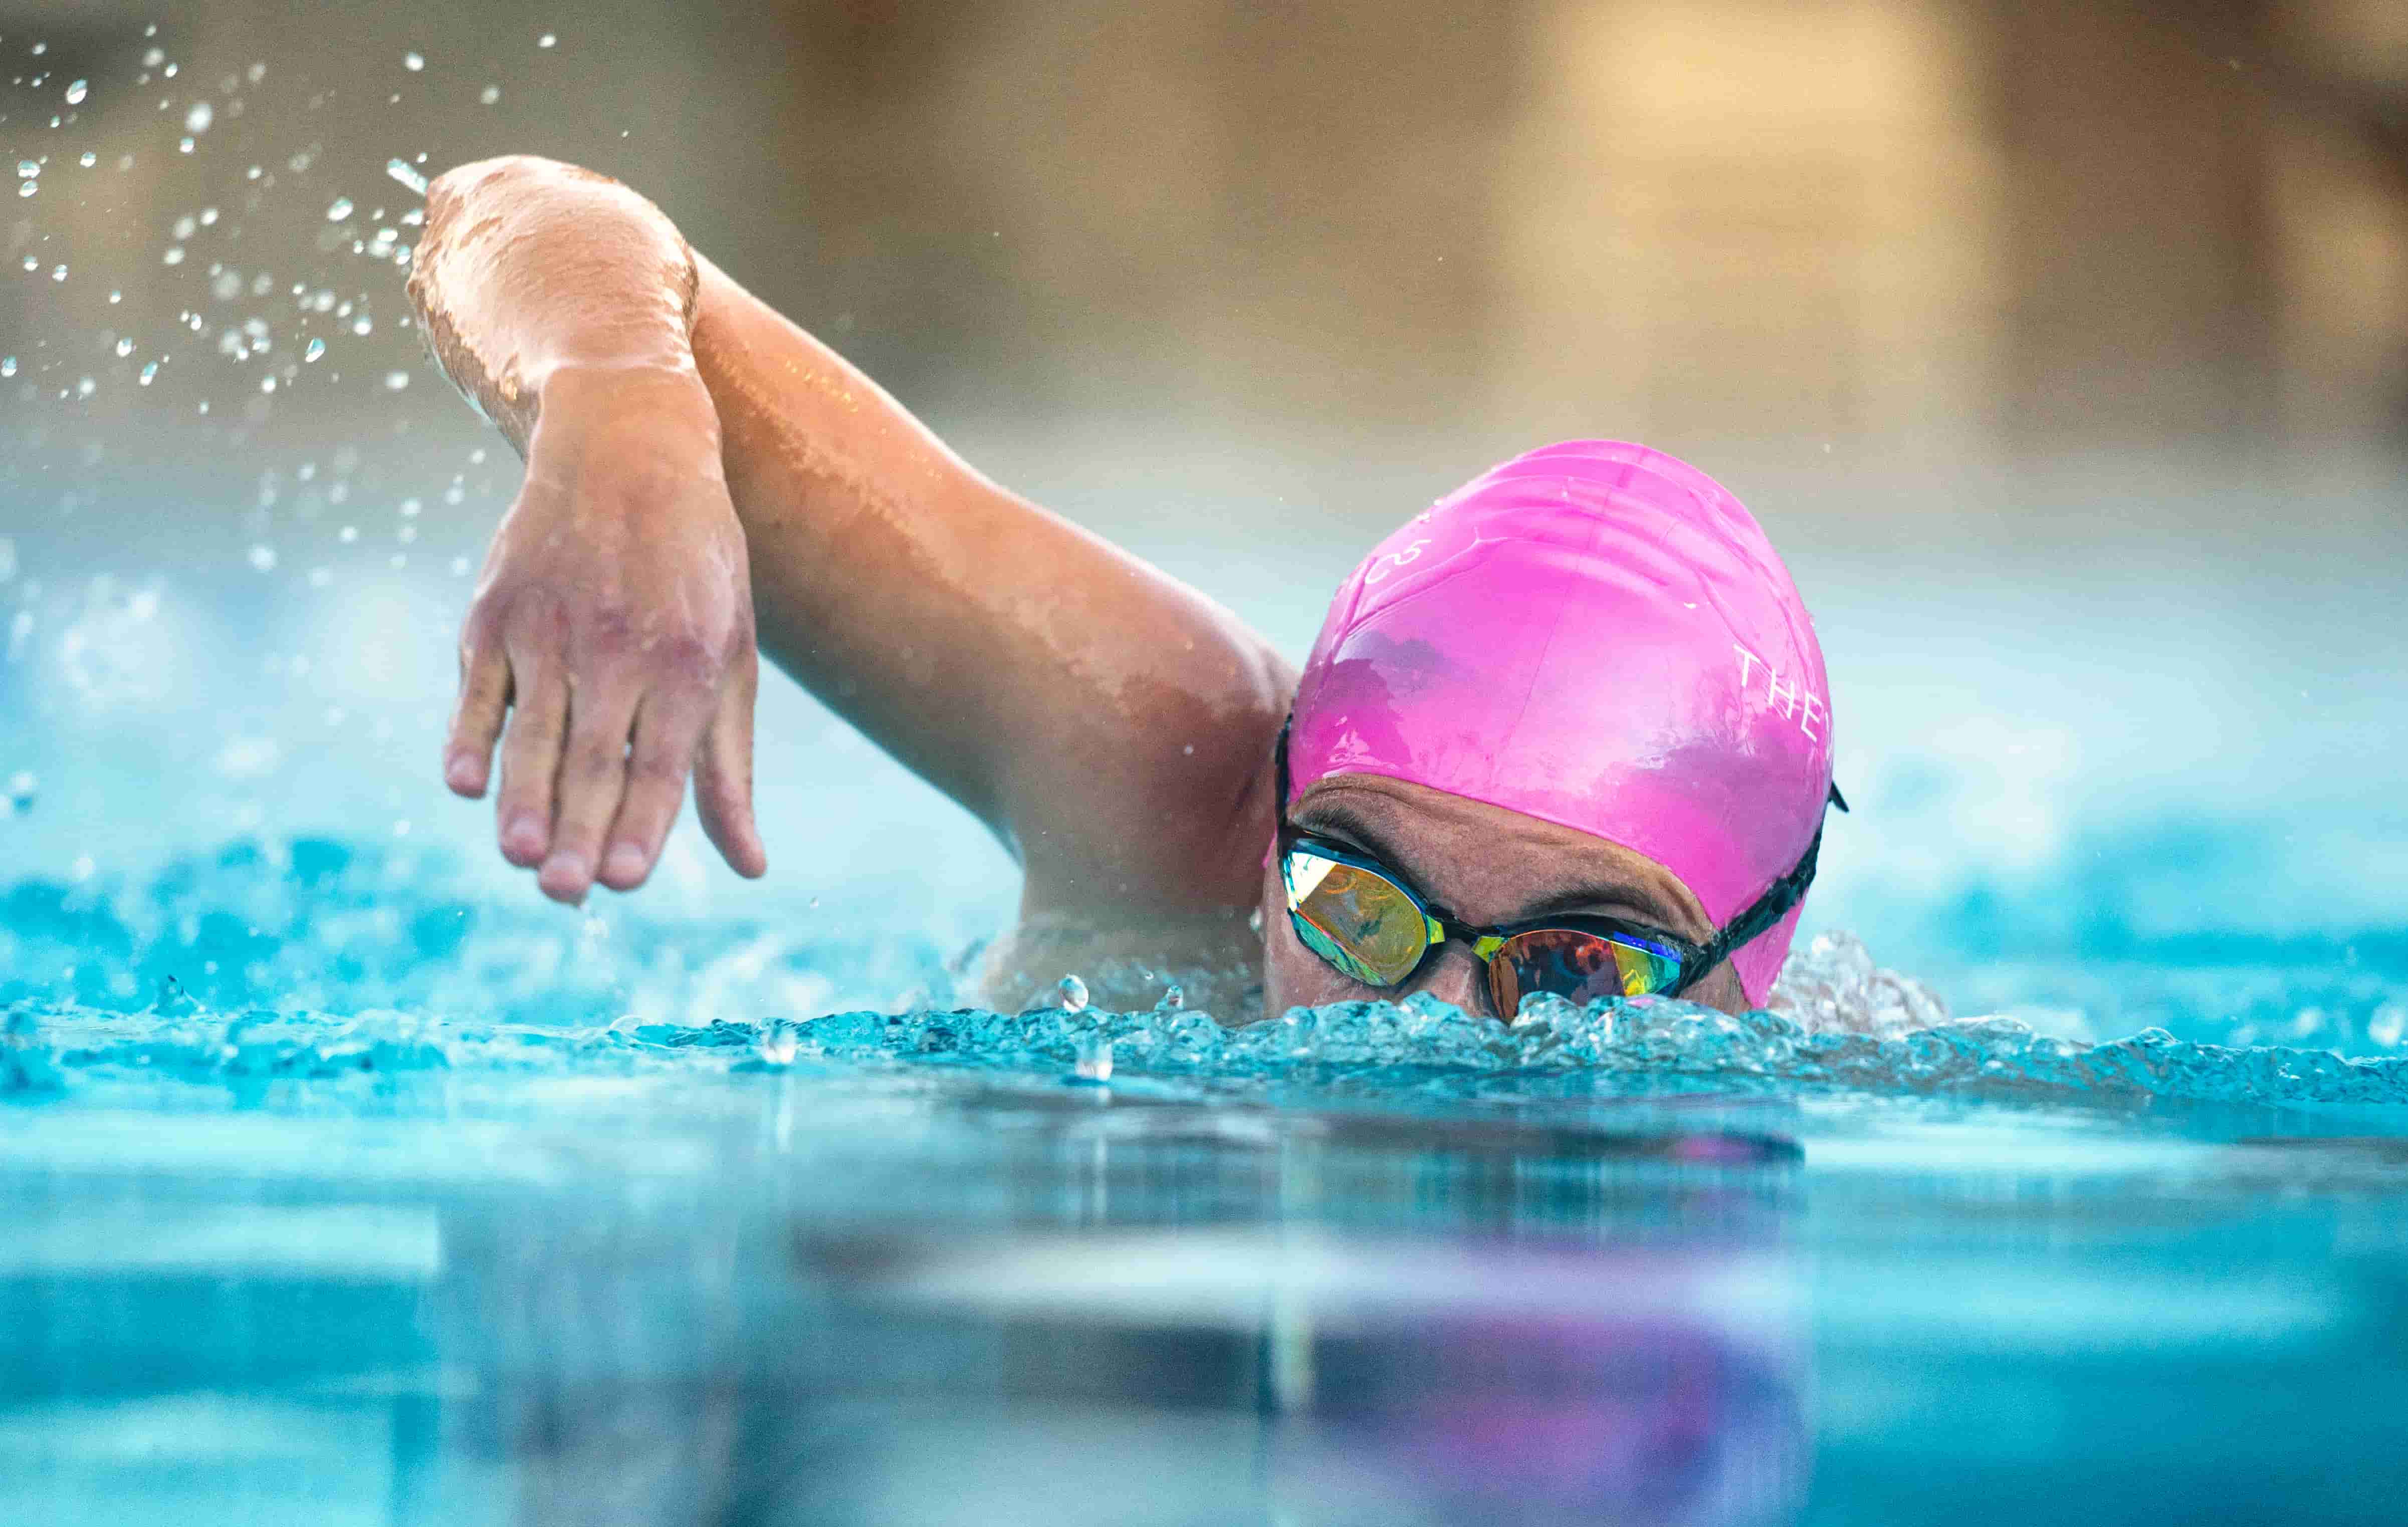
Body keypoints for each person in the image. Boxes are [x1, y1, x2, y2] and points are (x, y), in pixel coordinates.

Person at [406, 155, 1843, 1025]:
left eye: (1579, 971)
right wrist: (625, 409)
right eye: (1354, 902)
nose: (1432, 1032)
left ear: (1749, 967)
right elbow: (512, 210)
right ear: (1275, 810)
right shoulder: (1174, 774)